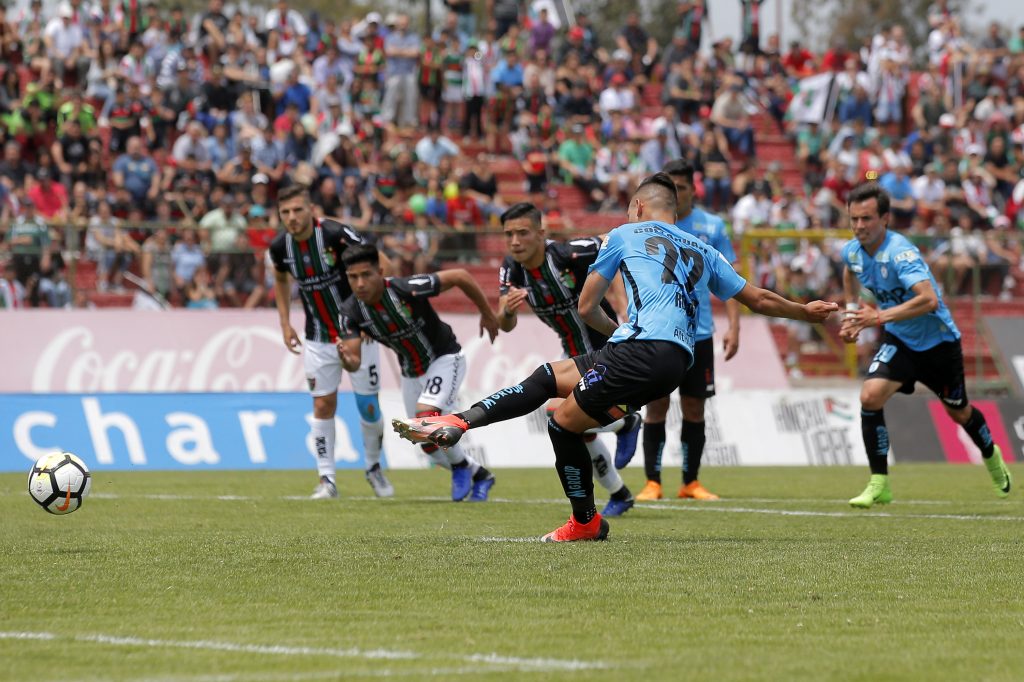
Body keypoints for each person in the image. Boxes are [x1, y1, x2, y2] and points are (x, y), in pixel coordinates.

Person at [393, 173, 837, 541]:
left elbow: (587, 306)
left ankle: (583, 520)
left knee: (561, 421)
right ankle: (462, 422)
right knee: (550, 378)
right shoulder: (703, 247)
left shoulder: (624, 234)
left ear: (638, 207)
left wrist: (616, 334)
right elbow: (758, 298)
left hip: (640, 348)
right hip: (676, 361)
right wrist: (805, 311)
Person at [839, 182, 1012, 507]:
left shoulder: (900, 253)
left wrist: (878, 317)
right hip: (901, 341)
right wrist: (850, 313)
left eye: (867, 218)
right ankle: (879, 483)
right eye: (854, 219)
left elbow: (929, 299)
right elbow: (849, 271)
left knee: (959, 413)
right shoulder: (851, 251)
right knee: (870, 396)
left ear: (885, 218)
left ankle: (991, 454)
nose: (859, 226)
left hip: (939, 346)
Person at [496, 202, 639, 517]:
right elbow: (504, 325)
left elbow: (615, 241)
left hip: (605, 346)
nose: (515, 241)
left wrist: (622, 301)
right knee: (576, 429)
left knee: (558, 413)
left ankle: (624, 422)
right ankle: (620, 492)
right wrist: (507, 310)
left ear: (541, 233)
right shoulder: (511, 269)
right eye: (509, 234)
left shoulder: (567, 254)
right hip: (571, 351)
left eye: (523, 233)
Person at [336, 244, 499, 502]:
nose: (360, 283)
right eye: (353, 277)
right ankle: (480, 475)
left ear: (380, 272)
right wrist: (346, 360)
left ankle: (460, 466)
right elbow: (354, 362)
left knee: (426, 417)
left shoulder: (406, 289)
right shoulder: (350, 312)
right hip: (411, 372)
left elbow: (460, 276)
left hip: (444, 358)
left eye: (366, 275)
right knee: (426, 443)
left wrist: (487, 313)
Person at [625, 160, 742, 502]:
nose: (677, 194)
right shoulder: (649, 225)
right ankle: (653, 482)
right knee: (656, 406)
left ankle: (690, 481)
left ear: (694, 189)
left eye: (683, 187)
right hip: (658, 333)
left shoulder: (712, 226)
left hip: (699, 334)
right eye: (672, 188)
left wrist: (734, 326)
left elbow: (731, 279)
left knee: (694, 409)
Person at [269, 186, 389, 500]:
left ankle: (374, 467)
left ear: (311, 209)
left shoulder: (336, 234)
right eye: (285, 212)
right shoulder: (280, 247)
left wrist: (372, 313)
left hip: (357, 332)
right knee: (322, 404)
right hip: (318, 337)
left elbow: (381, 264)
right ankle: (327, 479)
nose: (292, 218)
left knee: (369, 406)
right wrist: (285, 322)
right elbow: (280, 279)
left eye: (298, 210)